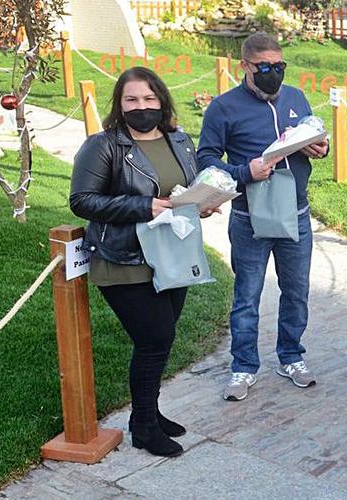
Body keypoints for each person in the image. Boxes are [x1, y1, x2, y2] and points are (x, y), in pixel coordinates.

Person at [70, 67, 216, 457]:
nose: (142, 107)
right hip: (124, 259)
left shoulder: (179, 140)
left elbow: (183, 188)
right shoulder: (103, 146)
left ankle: (150, 411)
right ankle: (144, 427)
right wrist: (142, 206)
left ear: (162, 101)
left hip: (172, 255)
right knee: (155, 339)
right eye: (131, 100)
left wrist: (201, 203)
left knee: (161, 338)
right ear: (119, 105)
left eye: (149, 99)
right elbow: (82, 200)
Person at [197, 32, 328, 401]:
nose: (273, 73)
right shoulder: (223, 108)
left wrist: (322, 147)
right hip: (249, 215)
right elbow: (205, 159)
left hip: (296, 212)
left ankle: (291, 356)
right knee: (248, 294)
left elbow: (313, 135)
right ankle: (243, 366)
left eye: (279, 66)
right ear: (245, 66)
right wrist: (244, 171)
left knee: (296, 291)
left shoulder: (296, 98)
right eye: (264, 68)